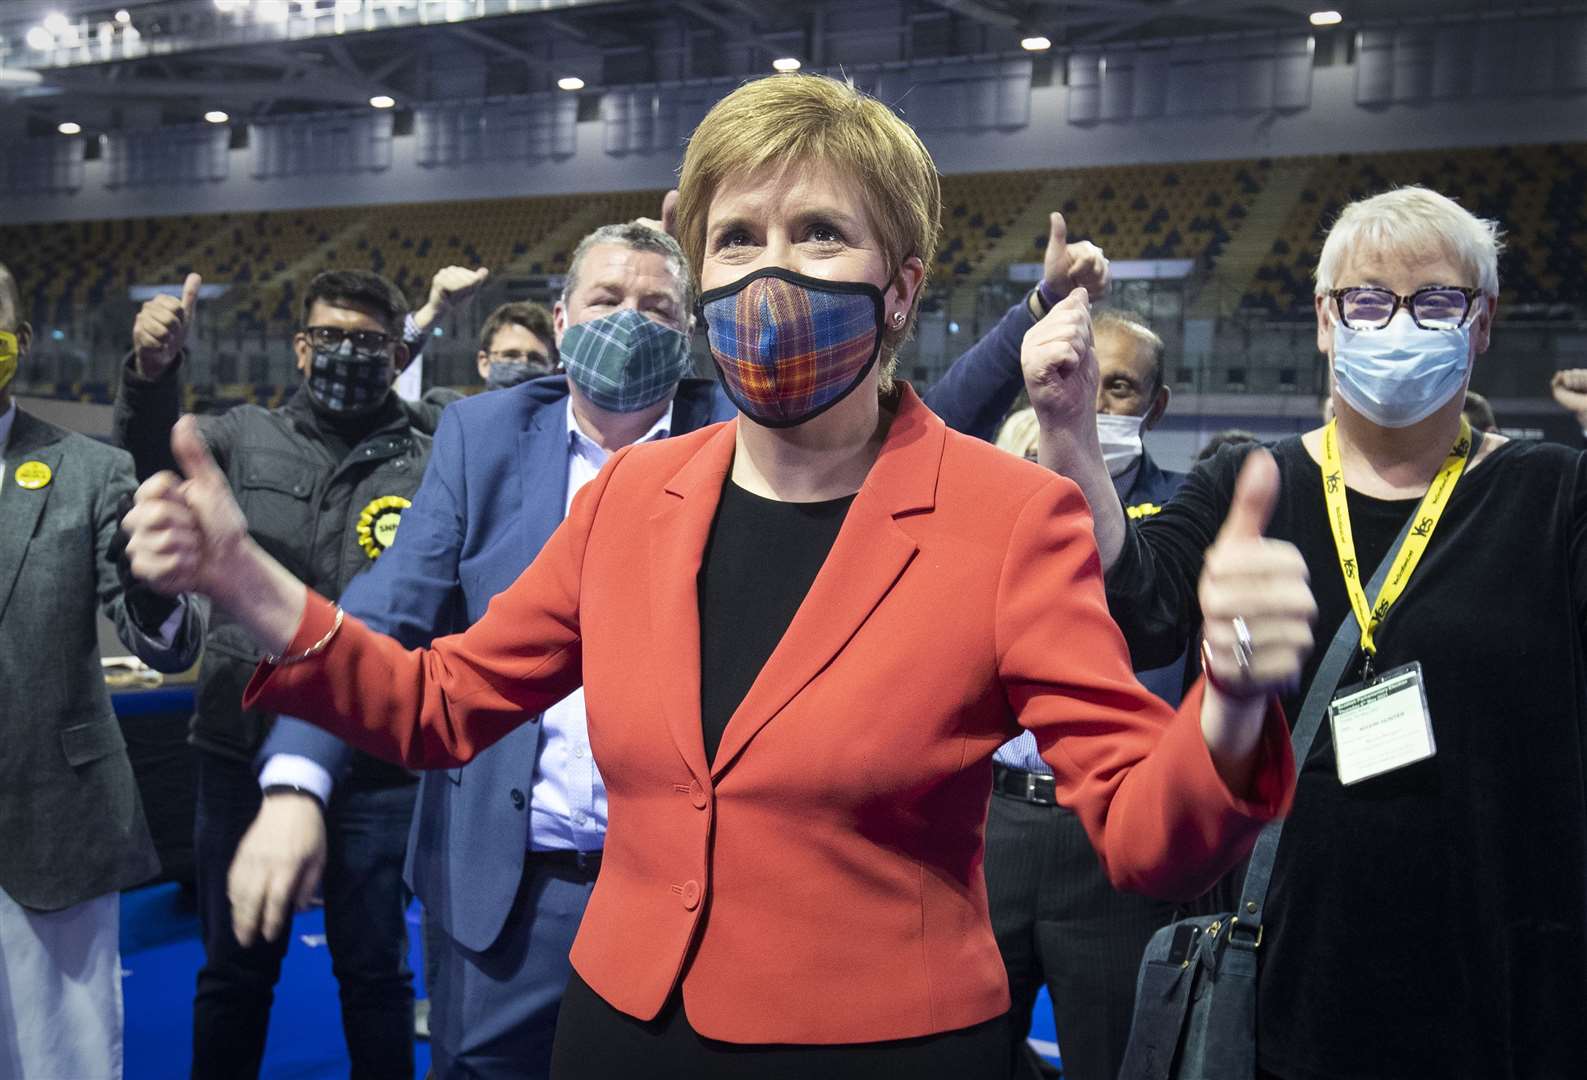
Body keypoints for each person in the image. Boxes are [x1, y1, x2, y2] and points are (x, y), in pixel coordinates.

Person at [125, 74, 1314, 1080]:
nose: (770, 271)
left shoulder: (1012, 519)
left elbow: (1149, 836)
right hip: (617, 1030)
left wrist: (1233, 701)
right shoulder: (639, 494)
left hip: (878, 1047)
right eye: (737, 238)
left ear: (900, 288)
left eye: (820, 234)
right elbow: (441, 708)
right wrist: (254, 588)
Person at [233, 200, 1106, 1080]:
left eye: (655, 307)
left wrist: (1028, 316)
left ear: (692, 330)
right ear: (562, 318)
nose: (628, 322)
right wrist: (296, 771)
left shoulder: (752, 434)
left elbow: (926, 417)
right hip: (510, 886)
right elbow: (400, 628)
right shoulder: (482, 436)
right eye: (606, 299)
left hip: (724, 908)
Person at [1032, 184, 1587, 1078]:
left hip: (1511, 980)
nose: (1398, 323)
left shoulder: (1557, 495)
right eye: (1367, 299)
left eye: (1435, 300)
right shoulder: (1252, 482)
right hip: (1293, 965)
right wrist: (1068, 434)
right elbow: (1138, 608)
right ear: (1326, 322)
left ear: (1479, 325)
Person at [113, 268, 449, 1080]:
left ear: (398, 352)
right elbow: (162, 464)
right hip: (242, 743)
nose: (347, 354)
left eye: (368, 342)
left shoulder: (434, 452)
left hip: (377, 758)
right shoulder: (241, 437)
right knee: (234, 975)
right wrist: (152, 378)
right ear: (301, 347)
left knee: (375, 977)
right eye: (330, 336)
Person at [0, 261, 204, 1079]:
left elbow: (160, 639)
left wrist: (160, 583)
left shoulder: (89, 471)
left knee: (59, 1064)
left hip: (54, 831)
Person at [985, 308, 1191, 1080]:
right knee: (963, 1047)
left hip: (1112, 828)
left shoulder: (1181, 516)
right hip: (993, 818)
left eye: (1119, 388)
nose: (1091, 401)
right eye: (1078, 377)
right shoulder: (990, 495)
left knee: (1112, 1057)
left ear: (1154, 406)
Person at [474, 300, 557, 389]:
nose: (523, 364)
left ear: (553, 368)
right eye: (511, 355)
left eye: (536, 359)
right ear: (484, 363)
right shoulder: (462, 403)